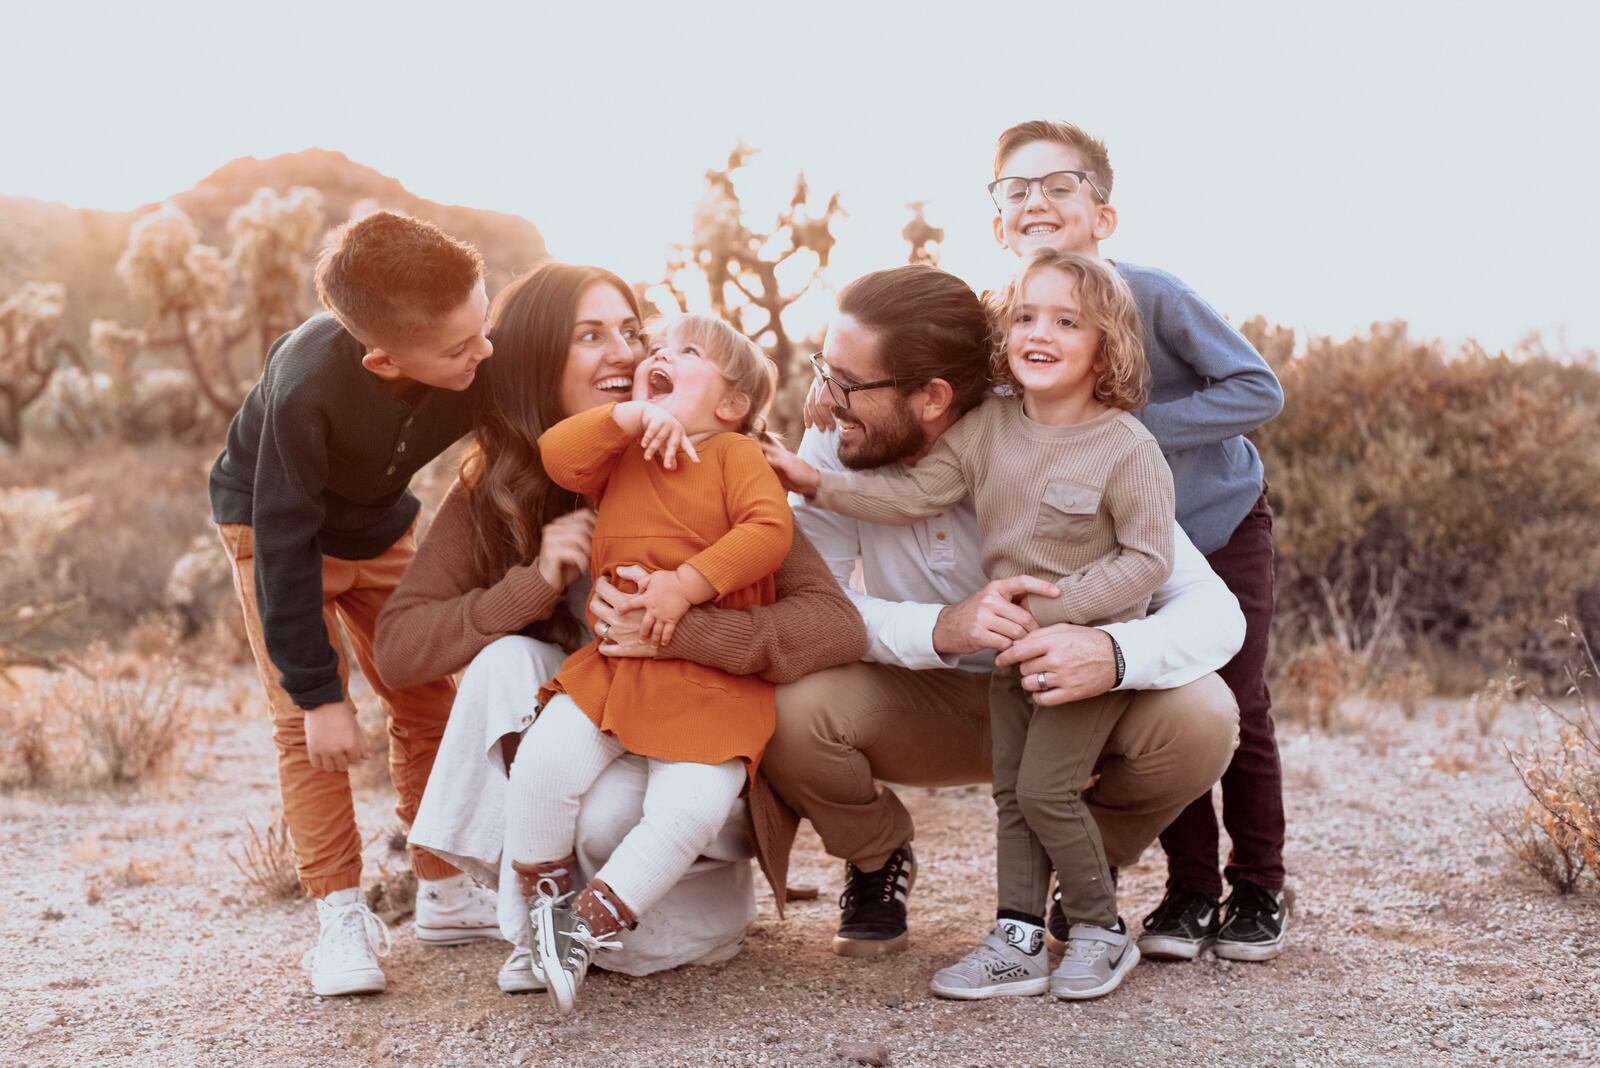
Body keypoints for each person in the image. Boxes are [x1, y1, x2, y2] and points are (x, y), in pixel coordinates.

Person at [372, 263, 866, 994]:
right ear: (542, 355)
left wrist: (681, 622)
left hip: (694, 738)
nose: (628, 353)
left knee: (608, 821)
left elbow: (832, 624)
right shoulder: (505, 479)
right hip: (599, 712)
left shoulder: (723, 457)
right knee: (509, 660)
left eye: (633, 332)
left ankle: (617, 920)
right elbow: (399, 648)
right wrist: (535, 583)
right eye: (591, 336)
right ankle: (533, 928)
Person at [777, 263, 1242, 975]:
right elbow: (820, 608)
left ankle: (1081, 883)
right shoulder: (837, 449)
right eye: (823, 372)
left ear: (932, 397)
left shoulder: (1075, 437)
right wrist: (941, 627)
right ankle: (877, 857)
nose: (823, 403)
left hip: (1063, 690)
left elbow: (1213, 614)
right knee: (788, 711)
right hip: (924, 701)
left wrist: (1106, 651)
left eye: (844, 382)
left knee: (1204, 714)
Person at [988, 120, 1289, 961]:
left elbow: (1257, 388)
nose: (1037, 201)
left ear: (1103, 214)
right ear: (999, 223)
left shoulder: (1152, 295)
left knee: (1238, 698)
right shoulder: (1016, 321)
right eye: (1017, 190)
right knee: (1159, 694)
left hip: (1215, 522)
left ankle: (1259, 885)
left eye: (1060, 184)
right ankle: (1189, 893)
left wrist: (1129, 429)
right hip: (1116, 549)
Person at [208, 212, 499, 998]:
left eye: (484, 328)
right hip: (272, 530)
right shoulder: (308, 388)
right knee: (312, 730)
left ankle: (442, 887)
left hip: (376, 527)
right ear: (382, 358)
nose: (485, 354)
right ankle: (341, 916)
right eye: (461, 348)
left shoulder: (465, 354)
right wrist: (319, 694)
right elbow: (282, 541)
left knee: (425, 694)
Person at [508, 314, 791, 1014]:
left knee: (688, 806)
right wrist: (628, 414)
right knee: (543, 763)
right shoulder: (623, 452)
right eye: (658, 349)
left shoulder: (732, 454)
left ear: (729, 405)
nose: (662, 354)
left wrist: (688, 584)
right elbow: (557, 456)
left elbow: (768, 530)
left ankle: (587, 926)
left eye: (689, 353)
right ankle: (545, 909)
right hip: (615, 669)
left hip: (710, 686)